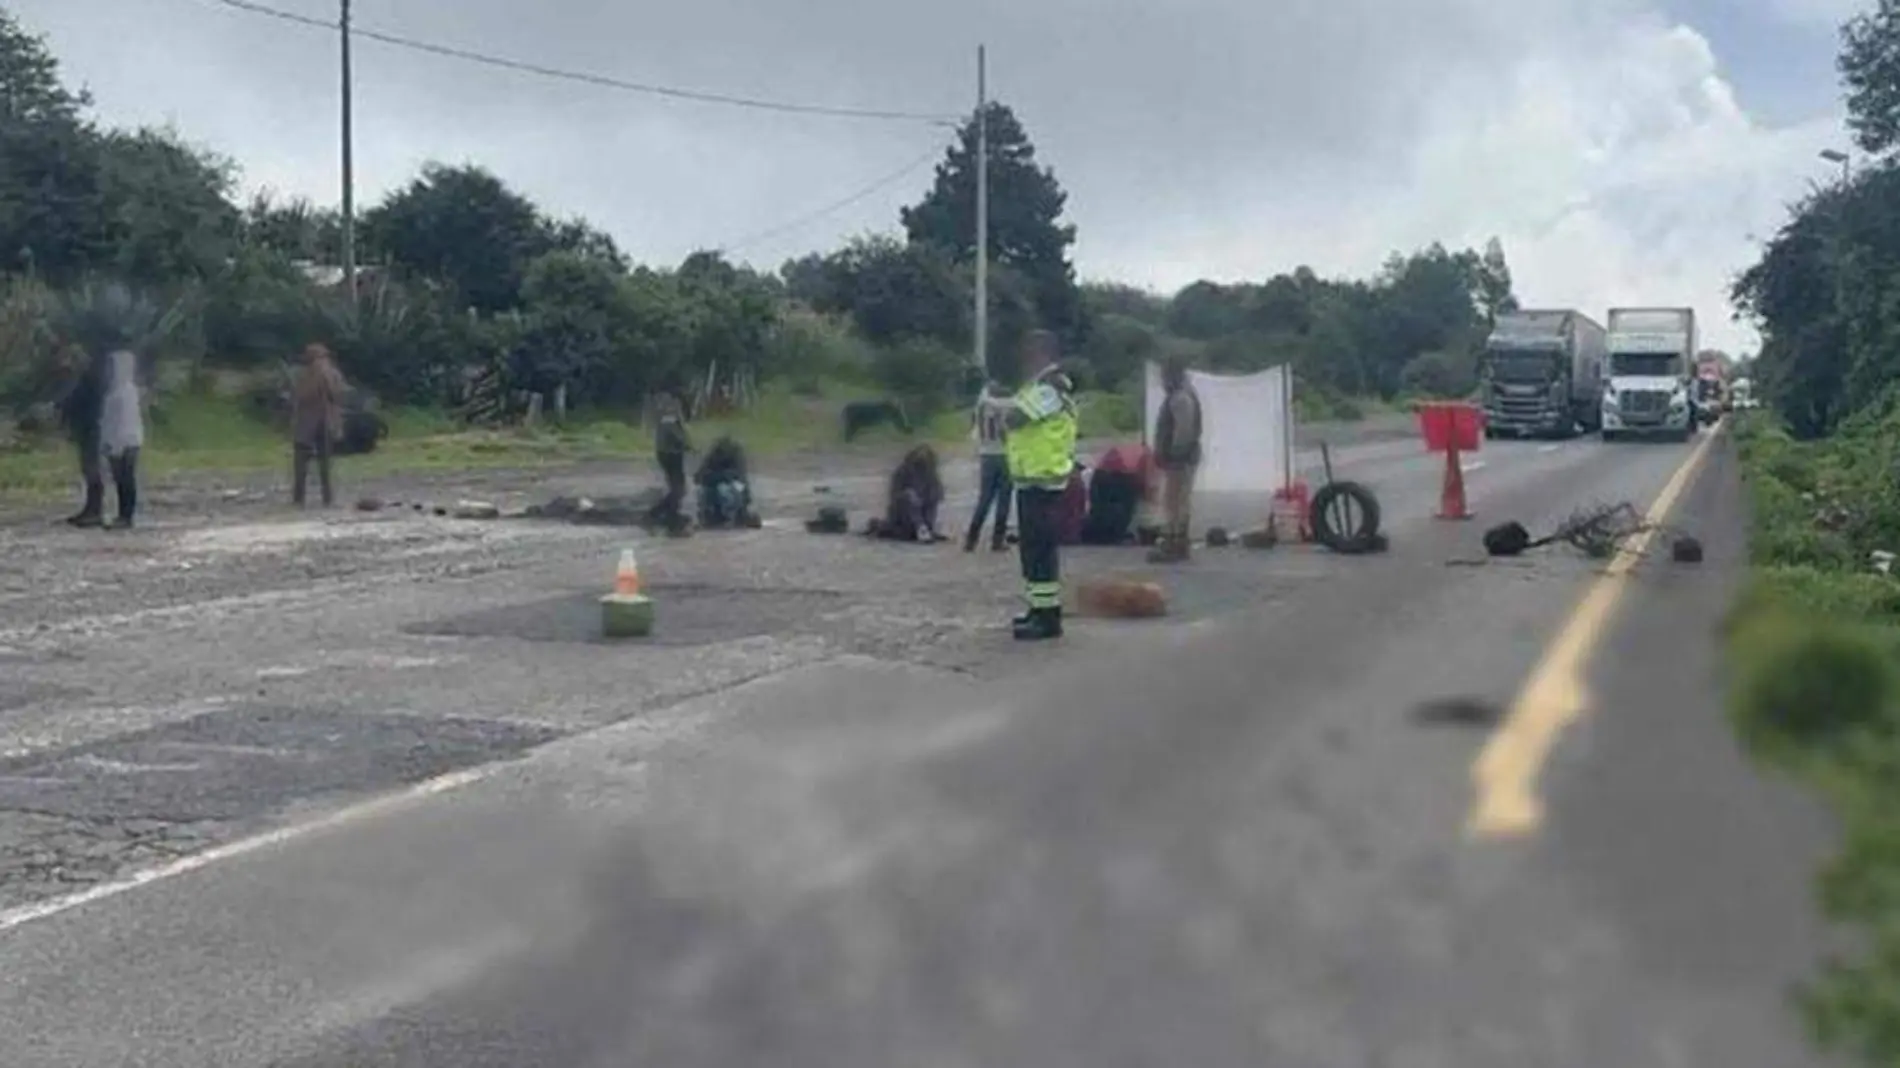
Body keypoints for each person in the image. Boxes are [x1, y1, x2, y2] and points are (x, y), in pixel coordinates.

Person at [1003, 330, 1079, 641]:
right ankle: (1038, 609)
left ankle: (1048, 619)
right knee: (1031, 552)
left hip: (1045, 481)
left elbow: (1016, 417)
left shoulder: (1052, 387)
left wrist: (1007, 411)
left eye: (1030, 351)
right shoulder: (1037, 386)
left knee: (1041, 551)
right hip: (1030, 480)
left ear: (1044, 353)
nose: (1024, 358)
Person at [1149, 354, 1204, 562]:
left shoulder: (1180, 397)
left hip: (1179, 460)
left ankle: (1175, 543)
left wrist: (1173, 454)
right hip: (1183, 458)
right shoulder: (1183, 394)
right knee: (1178, 501)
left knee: (1174, 503)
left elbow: (1183, 430)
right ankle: (1177, 542)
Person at [290, 343, 346, 508]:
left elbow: (337, 395)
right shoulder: (304, 376)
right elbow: (300, 397)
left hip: (321, 422)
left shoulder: (327, 375)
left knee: (323, 462)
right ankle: (301, 498)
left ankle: (324, 497)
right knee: (305, 462)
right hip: (310, 422)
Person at [57, 344, 106, 528]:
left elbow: (76, 402)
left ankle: (94, 510)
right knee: (88, 469)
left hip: (89, 427)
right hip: (86, 426)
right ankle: (91, 508)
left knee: (91, 468)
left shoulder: (89, 380)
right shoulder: (86, 379)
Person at [963, 379, 1014, 552]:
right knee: (1004, 499)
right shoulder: (1005, 405)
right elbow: (1004, 430)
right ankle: (997, 540)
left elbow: (973, 430)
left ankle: (971, 539)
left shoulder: (980, 406)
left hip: (985, 454)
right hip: (1003, 455)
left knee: (984, 499)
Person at [97, 348, 144, 529]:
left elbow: (124, 421)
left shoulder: (125, 392)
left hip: (125, 442)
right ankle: (123, 515)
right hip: (121, 441)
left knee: (125, 479)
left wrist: (116, 445)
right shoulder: (117, 390)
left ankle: (126, 516)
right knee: (120, 479)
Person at [652, 392, 692, 532]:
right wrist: (688, 445)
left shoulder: (668, 417)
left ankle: (664, 512)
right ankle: (666, 513)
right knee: (678, 488)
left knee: (678, 487)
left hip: (667, 453)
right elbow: (679, 438)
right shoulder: (671, 419)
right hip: (670, 455)